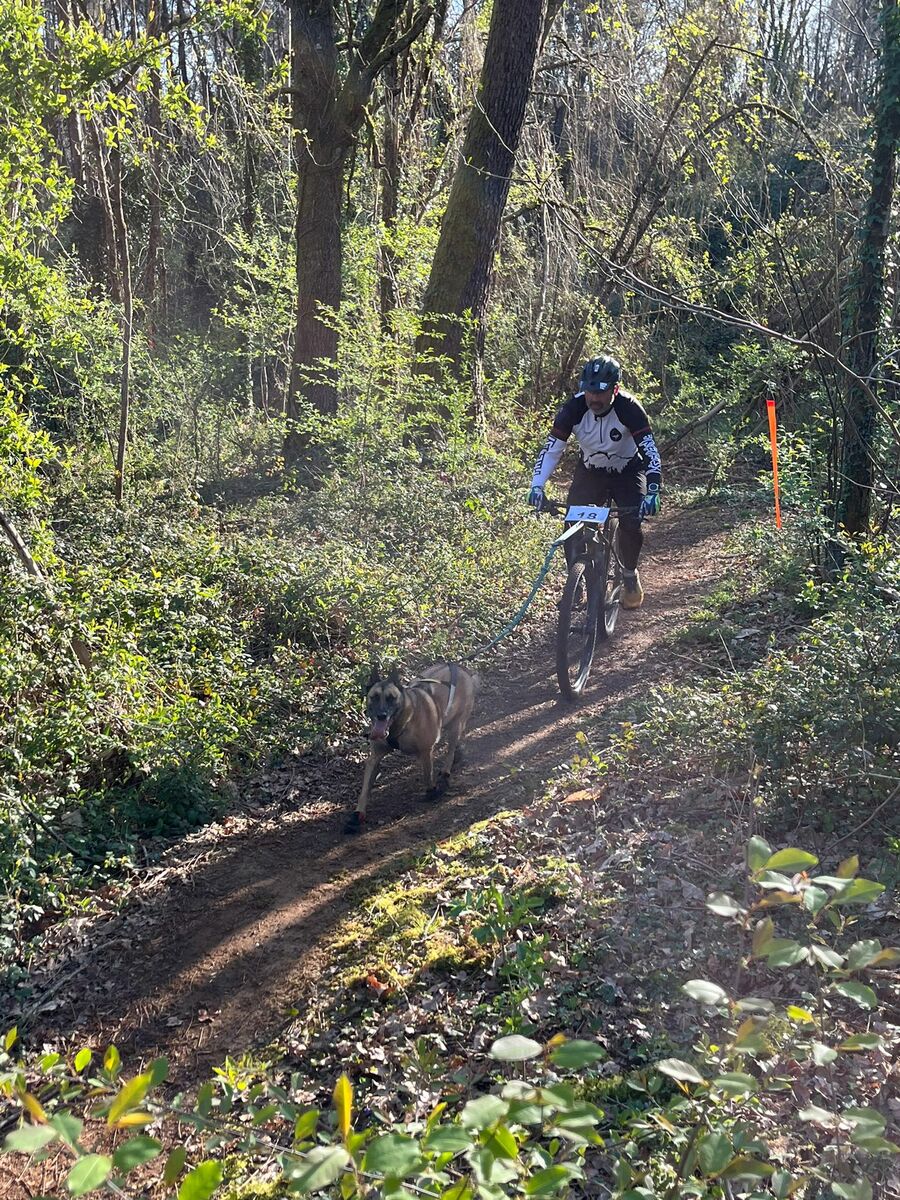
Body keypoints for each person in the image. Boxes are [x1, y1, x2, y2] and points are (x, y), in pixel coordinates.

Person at [527, 354, 662, 610]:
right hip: (591, 470)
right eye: (589, 392)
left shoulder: (630, 409)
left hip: (627, 470)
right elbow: (552, 449)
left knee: (631, 523)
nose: (594, 399)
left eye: (600, 392)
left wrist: (653, 489)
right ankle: (575, 583)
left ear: (615, 390)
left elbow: (649, 451)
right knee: (572, 523)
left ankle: (630, 574)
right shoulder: (574, 408)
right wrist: (537, 485)